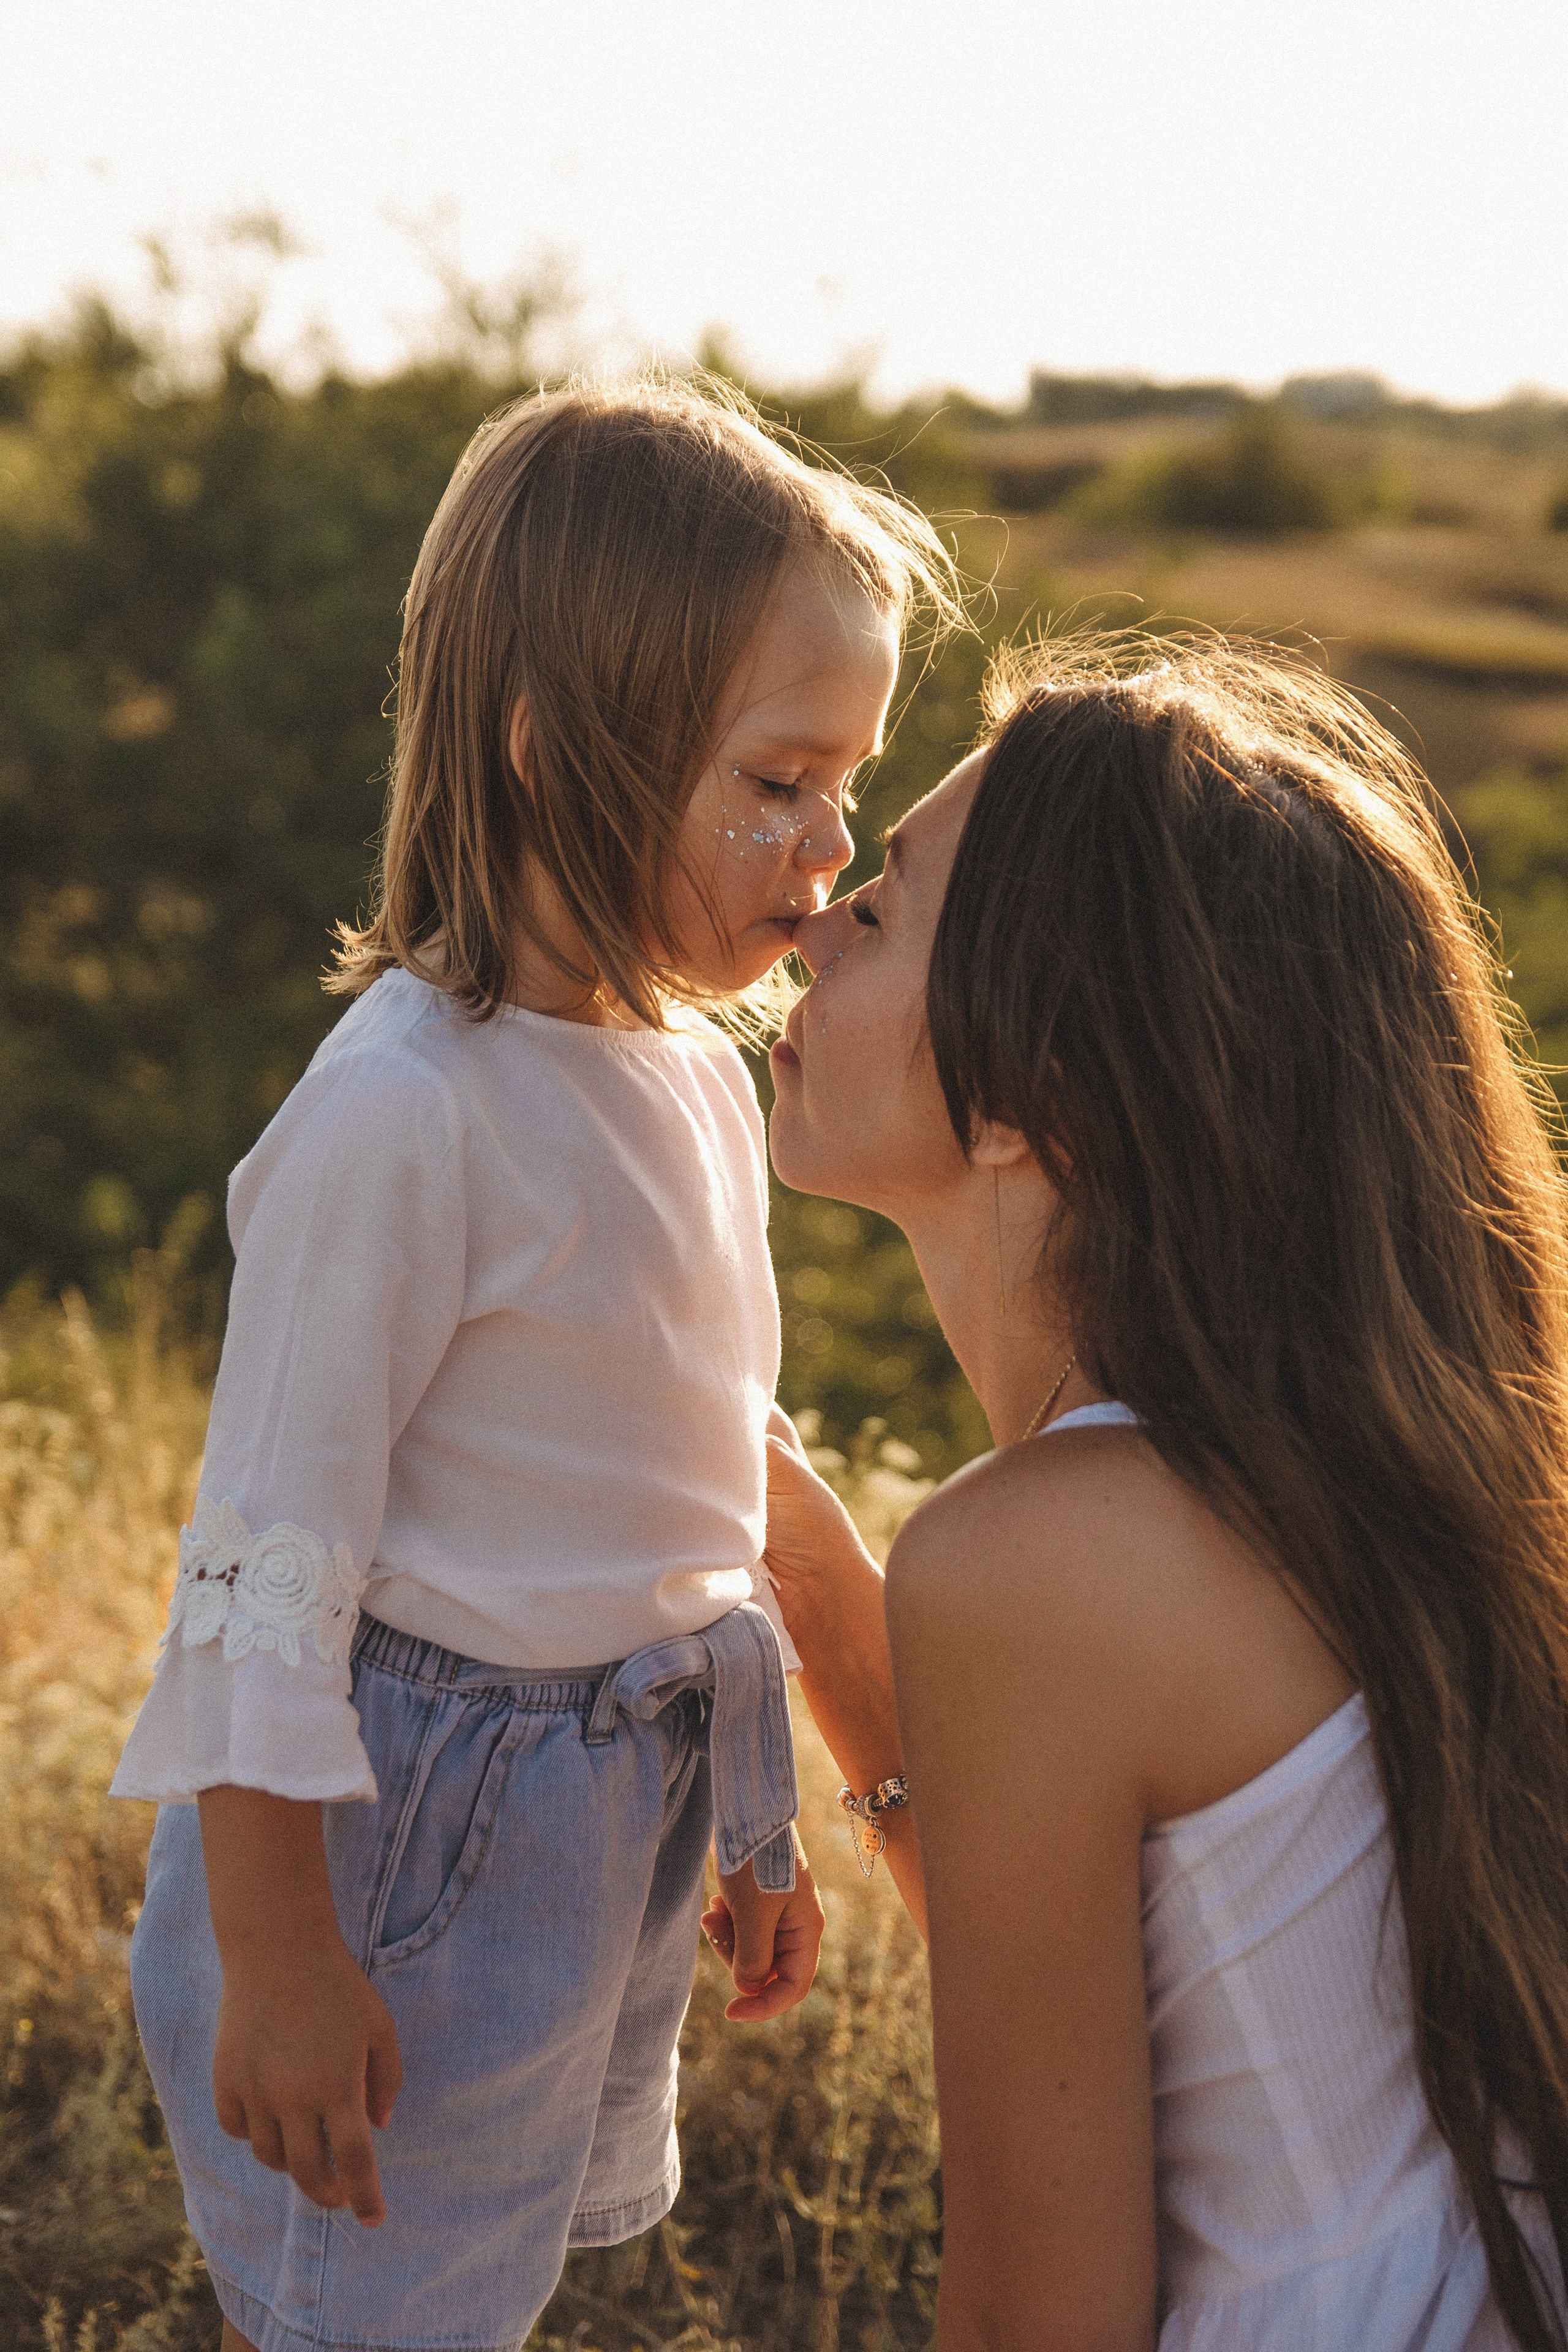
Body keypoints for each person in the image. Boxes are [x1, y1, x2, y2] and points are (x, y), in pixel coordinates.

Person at [110, 376, 957, 2352]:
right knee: (356, 2299)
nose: (828, 854)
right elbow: (261, 1563)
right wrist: (282, 1958)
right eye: (775, 782)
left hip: (596, 1806)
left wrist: (752, 1808)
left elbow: (695, 1452)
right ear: (548, 745)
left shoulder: (688, 1075)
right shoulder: (408, 1109)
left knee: (458, 2291)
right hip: (391, 1833)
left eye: (850, 789)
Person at [752, 639, 1568, 2350]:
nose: (806, 917)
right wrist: (827, 1607)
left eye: (882, 914)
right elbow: (1213, 2022)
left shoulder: (1039, 1564)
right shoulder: (1381, 1477)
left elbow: (1041, 2324)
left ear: (1031, 1090)